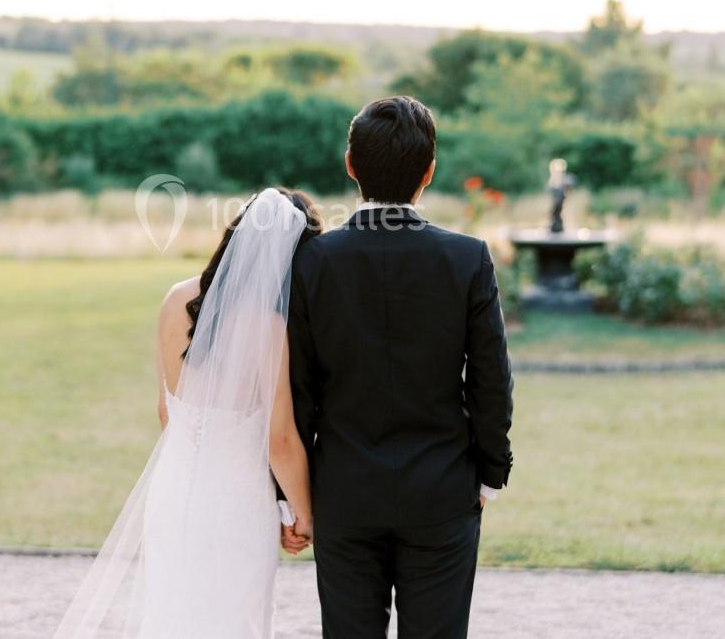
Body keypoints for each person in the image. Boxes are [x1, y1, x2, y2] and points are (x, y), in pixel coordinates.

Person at [283, 95, 515, 638]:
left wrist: (290, 494)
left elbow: (296, 388)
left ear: (350, 165)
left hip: (343, 491)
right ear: (429, 172)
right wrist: (492, 474)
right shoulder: (467, 258)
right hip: (442, 492)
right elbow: (490, 382)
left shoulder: (311, 261)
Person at [54, 187, 323, 639]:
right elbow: (280, 439)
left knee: (173, 615)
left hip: (173, 490)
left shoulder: (175, 299)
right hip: (238, 502)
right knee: (236, 618)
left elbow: (166, 411)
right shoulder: (269, 326)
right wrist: (304, 514)